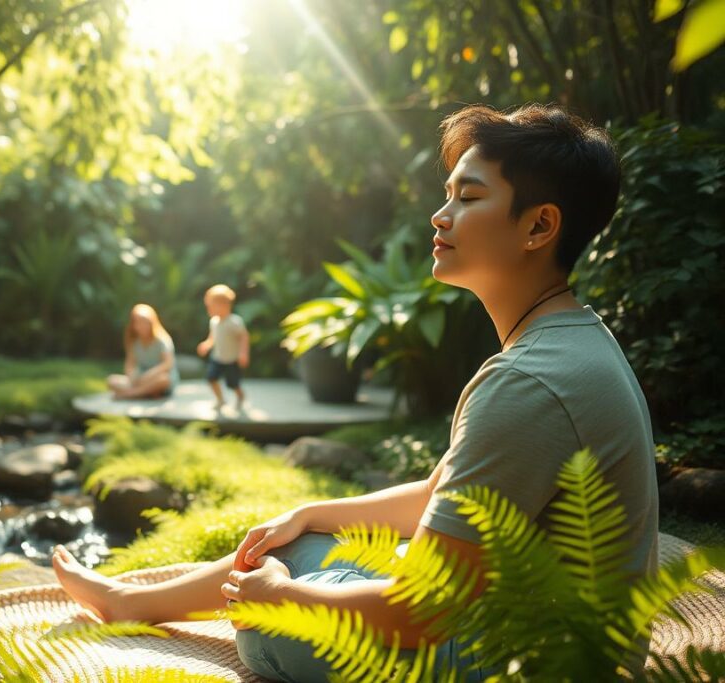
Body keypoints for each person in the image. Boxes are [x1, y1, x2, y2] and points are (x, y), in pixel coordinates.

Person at [53, 103, 659, 682]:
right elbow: (435, 497)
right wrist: (310, 513)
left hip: (536, 664)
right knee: (301, 543)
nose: (439, 215)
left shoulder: (528, 383)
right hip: (535, 626)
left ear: (539, 225)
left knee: (264, 623)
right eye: (446, 194)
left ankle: (197, 603)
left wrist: (285, 598)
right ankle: (131, 602)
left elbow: (420, 610)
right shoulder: (568, 340)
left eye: (468, 197)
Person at [106, 303, 180, 400]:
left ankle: (132, 394)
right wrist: (132, 376)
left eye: (144, 322)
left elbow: (168, 364)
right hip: (140, 379)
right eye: (138, 322)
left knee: (163, 380)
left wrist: (149, 375)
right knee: (112, 380)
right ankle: (147, 393)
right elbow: (130, 364)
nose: (141, 326)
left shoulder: (162, 340)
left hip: (157, 377)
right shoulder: (134, 342)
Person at [197, 284, 250, 410]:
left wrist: (243, 353)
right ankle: (220, 399)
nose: (208, 309)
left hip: (231, 359)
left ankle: (240, 395)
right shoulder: (214, 322)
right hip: (218, 358)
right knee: (211, 378)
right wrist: (206, 344)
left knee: (232, 384)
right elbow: (213, 338)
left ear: (224, 305)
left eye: (210, 306)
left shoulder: (234, 322)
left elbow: (244, 337)